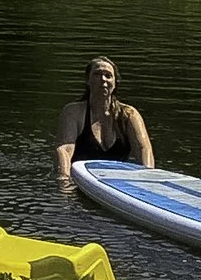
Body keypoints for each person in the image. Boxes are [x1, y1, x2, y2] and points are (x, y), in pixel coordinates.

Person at [52, 55, 154, 184]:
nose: (103, 79)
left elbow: (143, 149)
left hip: (117, 181)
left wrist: (148, 180)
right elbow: (64, 149)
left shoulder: (129, 115)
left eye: (108, 75)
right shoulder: (74, 112)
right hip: (81, 181)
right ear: (87, 80)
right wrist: (64, 180)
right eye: (97, 74)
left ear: (115, 82)